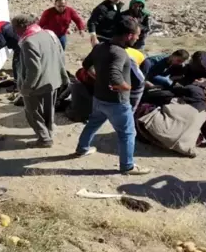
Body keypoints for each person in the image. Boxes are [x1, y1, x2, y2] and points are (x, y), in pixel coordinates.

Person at [75, 16, 152, 175]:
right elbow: (114, 75)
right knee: (128, 133)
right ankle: (128, 166)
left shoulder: (100, 47)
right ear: (129, 35)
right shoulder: (120, 53)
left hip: (99, 98)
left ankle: (82, 148)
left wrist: (97, 77)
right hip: (117, 103)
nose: (138, 38)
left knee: (93, 124)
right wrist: (126, 87)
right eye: (137, 35)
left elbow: (85, 64)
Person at [13, 13, 69, 148]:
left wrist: (26, 88)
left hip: (37, 84)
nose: (15, 32)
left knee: (33, 112)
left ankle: (44, 139)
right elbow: (61, 55)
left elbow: (33, 70)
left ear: (22, 27)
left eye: (15, 28)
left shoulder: (28, 42)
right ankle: (49, 130)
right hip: (53, 80)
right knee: (49, 108)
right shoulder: (48, 34)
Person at [135, 85, 206, 156]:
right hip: (181, 147)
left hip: (149, 136)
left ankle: (142, 136)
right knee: (194, 134)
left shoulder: (174, 100)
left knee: (145, 108)